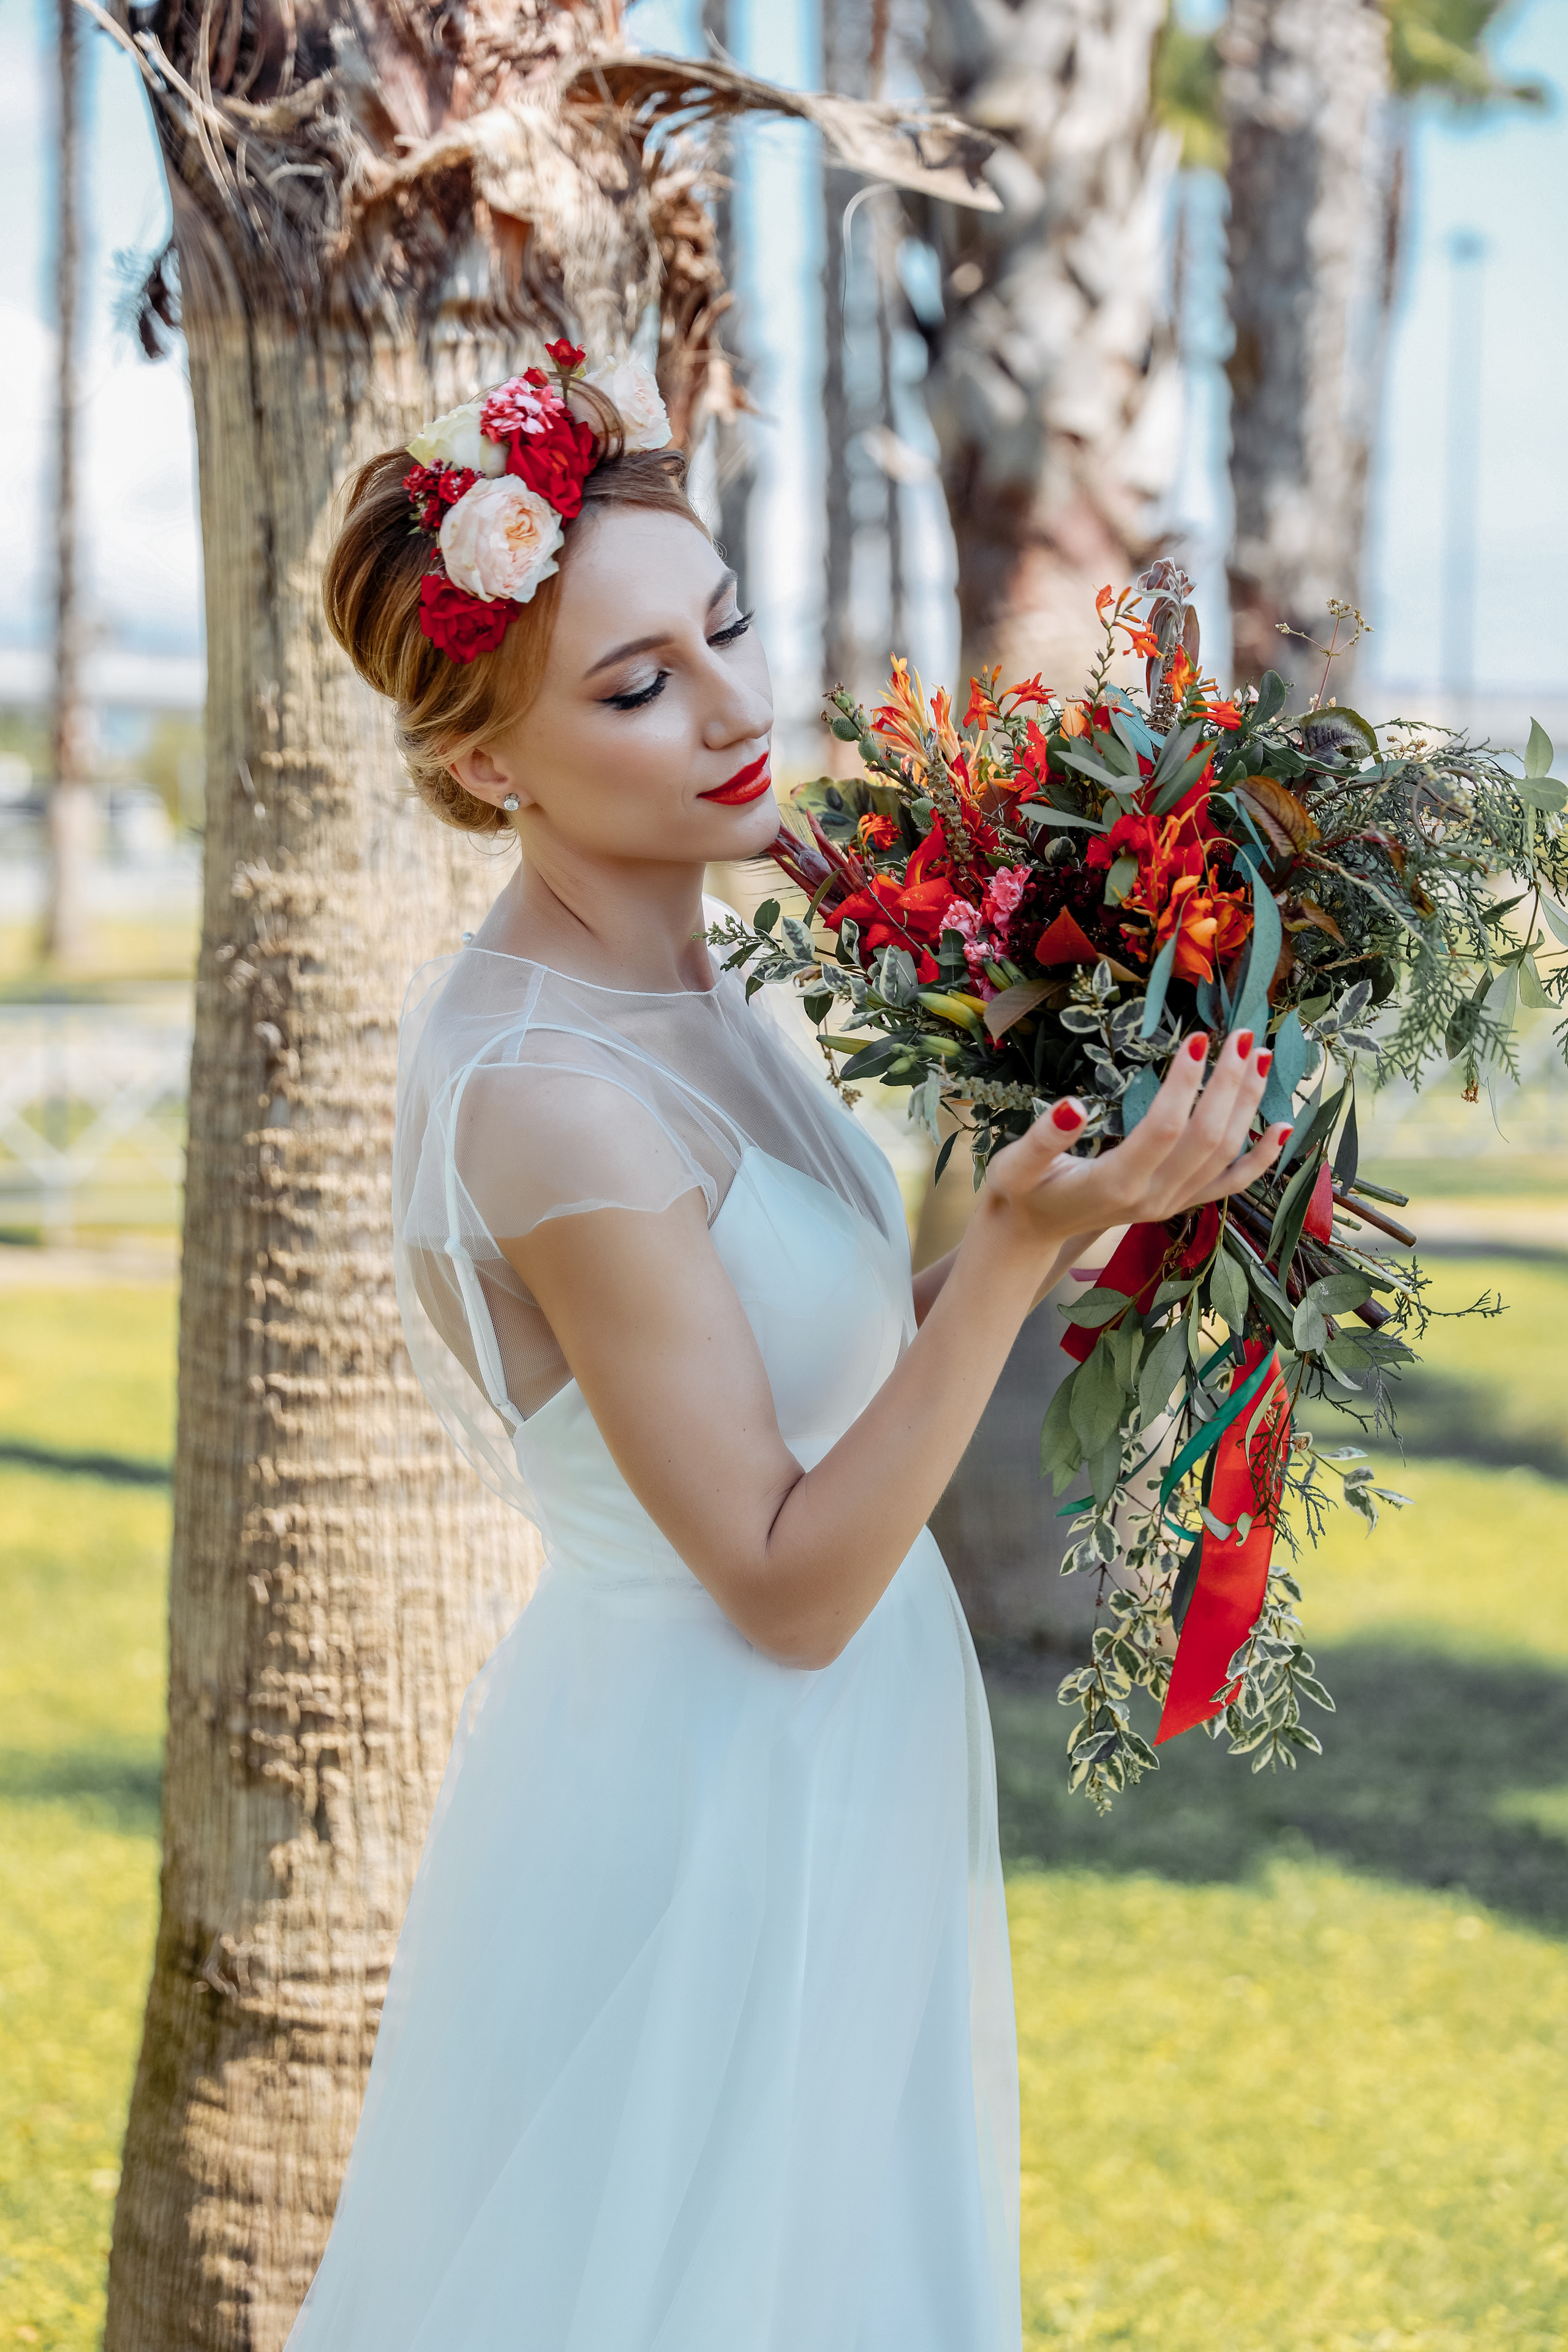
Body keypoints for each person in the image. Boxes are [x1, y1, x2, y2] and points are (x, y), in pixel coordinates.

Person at [287, 345, 1286, 2350]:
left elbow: (824, 1386)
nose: (736, 708)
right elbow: (782, 1580)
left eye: (725, 627)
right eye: (634, 687)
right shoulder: (550, 1091)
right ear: (488, 768)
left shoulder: (714, 974)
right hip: (706, 1796)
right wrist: (1009, 1248)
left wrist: (1097, 1218)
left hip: (842, 1763)